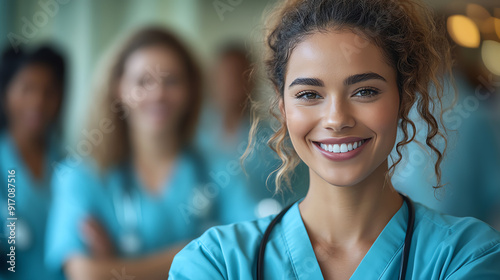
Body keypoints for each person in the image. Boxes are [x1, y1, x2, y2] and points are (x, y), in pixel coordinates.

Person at [168, 0, 500, 279]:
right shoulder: (216, 263)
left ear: (405, 99)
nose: (337, 119)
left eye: (365, 91)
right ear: (282, 108)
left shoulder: (466, 256)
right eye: (310, 94)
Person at [45, 27, 255, 280]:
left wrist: (117, 267)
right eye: (143, 82)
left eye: (172, 81)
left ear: (191, 91)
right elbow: (86, 274)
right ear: (118, 89)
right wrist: (201, 252)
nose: (158, 94)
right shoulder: (80, 175)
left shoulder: (221, 169)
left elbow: (248, 252)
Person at [196, 43, 308, 218]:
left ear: (251, 81)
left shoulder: (274, 140)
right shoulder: (196, 138)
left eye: (236, 76)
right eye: (223, 76)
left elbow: (297, 197)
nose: (229, 84)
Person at [0, 45, 66, 280]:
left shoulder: (70, 166)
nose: (38, 101)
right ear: (5, 94)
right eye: (27, 89)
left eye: (49, 91)